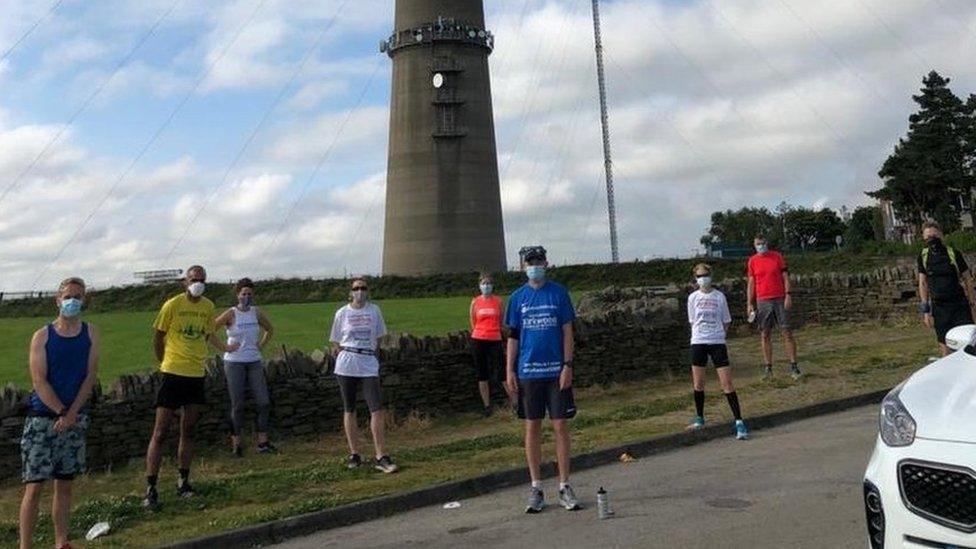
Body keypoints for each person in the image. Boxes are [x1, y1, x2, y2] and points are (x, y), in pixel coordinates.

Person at [143, 266, 238, 508]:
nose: (198, 283)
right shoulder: (172, 305)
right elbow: (158, 336)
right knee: (161, 431)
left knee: (189, 429)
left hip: (196, 374)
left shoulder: (207, 306)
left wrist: (224, 348)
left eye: (202, 280)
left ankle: (183, 482)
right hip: (172, 372)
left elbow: (208, 334)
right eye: (194, 279)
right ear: (185, 281)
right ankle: (151, 487)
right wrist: (163, 361)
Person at [19, 277, 100, 549]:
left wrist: (73, 413)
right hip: (43, 419)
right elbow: (39, 380)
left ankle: (61, 542)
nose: (73, 301)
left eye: (78, 296)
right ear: (58, 299)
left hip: (75, 418)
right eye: (68, 296)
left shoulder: (91, 333)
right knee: (34, 487)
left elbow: (90, 376)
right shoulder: (42, 336)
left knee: (64, 486)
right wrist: (61, 412)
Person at [505, 245, 580, 513]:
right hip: (529, 372)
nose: (534, 266)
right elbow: (513, 337)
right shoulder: (517, 298)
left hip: (555, 371)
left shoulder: (559, 294)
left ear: (546, 263)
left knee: (560, 426)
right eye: (530, 262)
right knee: (532, 428)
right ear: (523, 267)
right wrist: (509, 370)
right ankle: (536, 486)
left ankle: (564, 485)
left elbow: (567, 331)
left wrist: (568, 365)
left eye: (538, 261)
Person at [330, 278, 398, 474]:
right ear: (350, 292)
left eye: (363, 288)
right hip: (347, 363)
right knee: (349, 408)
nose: (360, 291)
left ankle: (381, 455)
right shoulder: (342, 313)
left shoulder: (374, 310)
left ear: (368, 291)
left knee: (376, 409)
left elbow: (378, 338)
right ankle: (354, 453)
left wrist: (372, 358)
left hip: (368, 362)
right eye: (356, 288)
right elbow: (336, 341)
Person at [215, 278, 276, 457]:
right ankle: (237, 445)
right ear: (238, 295)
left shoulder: (256, 312)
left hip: (254, 360)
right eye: (244, 294)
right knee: (237, 404)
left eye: (249, 294)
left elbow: (270, 329)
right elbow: (210, 329)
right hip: (234, 362)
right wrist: (224, 347)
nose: (247, 297)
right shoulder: (231, 313)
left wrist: (261, 345)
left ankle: (263, 442)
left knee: (263, 402)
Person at [686, 264, 748, 440]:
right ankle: (700, 417)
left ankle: (739, 421)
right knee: (698, 383)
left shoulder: (719, 297)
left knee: (727, 384)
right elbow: (693, 321)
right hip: (698, 341)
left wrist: (719, 334)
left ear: (711, 276)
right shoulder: (692, 298)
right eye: (699, 276)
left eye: (705, 275)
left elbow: (726, 320)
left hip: (717, 341)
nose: (702, 278)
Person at [746, 235, 801, 380]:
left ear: (767, 243)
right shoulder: (752, 261)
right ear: (754, 245)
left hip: (779, 298)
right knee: (765, 334)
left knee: (786, 332)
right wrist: (749, 303)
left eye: (762, 243)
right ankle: (768, 367)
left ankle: (794, 366)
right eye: (758, 244)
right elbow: (751, 283)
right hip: (762, 300)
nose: (761, 246)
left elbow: (785, 277)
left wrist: (788, 294)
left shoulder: (777, 257)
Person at [917, 221, 975, 356]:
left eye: (934, 235)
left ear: (941, 235)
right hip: (939, 308)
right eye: (928, 237)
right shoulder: (923, 256)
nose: (932, 239)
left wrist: (972, 303)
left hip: (959, 305)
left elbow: (967, 279)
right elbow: (923, 284)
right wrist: (926, 312)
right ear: (924, 238)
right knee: (945, 347)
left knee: (968, 345)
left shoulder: (953, 253)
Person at [469, 272, 505, 417]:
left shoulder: (498, 301)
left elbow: (501, 320)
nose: (486, 286)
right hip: (479, 338)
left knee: (501, 370)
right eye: (484, 283)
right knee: (482, 373)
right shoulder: (475, 302)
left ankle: (515, 402)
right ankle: (487, 406)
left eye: (489, 283)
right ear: (479, 285)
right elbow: (472, 321)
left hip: (495, 338)